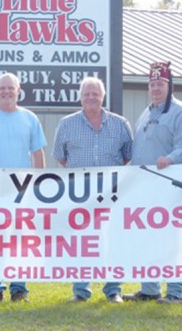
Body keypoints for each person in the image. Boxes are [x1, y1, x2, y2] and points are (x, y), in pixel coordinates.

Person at [52, 77, 133, 303]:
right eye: (86, 93)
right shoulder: (67, 124)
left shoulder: (120, 124)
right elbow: (61, 157)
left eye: (95, 93)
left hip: (112, 193)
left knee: (113, 239)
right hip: (80, 193)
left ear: (103, 96)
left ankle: (113, 290)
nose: (91, 97)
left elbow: (127, 156)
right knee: (81, 241)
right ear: (80, 96)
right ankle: (81, 291)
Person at [122, 61, 182, 304]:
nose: (155, 88)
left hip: (170, 184)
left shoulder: (180, 111)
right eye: (152, 84)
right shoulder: (147, 112)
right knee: (149, 236)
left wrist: (171, 158)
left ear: (169, 85)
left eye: (160, 84)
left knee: (174, 238)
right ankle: (150, 288)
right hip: (145, 186)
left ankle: (176, 291)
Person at [0, 72, 47, 302]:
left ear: (18, 90)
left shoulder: (30, 118)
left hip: (21, 189)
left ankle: (19, 288)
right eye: (2, 88)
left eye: (10, 88)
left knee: (19, 240)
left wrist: (38, 184)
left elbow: (38, 153)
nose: (6, 92)